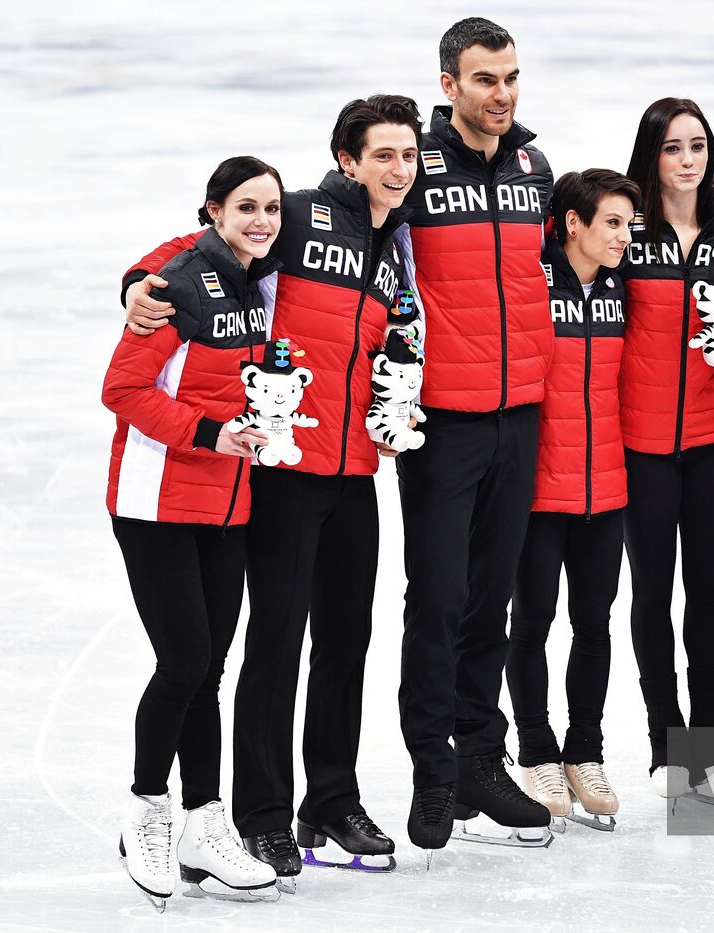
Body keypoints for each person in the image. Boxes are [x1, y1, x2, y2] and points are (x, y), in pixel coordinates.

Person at [121, 95, 422, 885]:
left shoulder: (395, 243)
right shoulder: (294, 213)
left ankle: (329, 800)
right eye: (382, 154)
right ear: (348, 160)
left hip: (354, 471)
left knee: (346, 642)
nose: (399, 169)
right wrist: (139, 283)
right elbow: (197, 244)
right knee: (276, 642)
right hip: (282, 472)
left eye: (409, 155)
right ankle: (258, 815)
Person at [102, 156, 285, 910]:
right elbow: (121, 388)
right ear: (212, 211)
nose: (262, 221)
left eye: (271, 209)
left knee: (208, 668)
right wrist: (210, 433)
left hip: (227, 505)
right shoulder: (174, 284)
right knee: (181, 662)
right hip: (154, 502)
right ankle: (147, 808)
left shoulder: (263, 277)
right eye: (245, 207)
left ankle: (206, 826)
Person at [396, 17, 554, 852]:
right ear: (449, 84)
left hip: (519, 412)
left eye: (512, 77)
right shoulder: (409, 166)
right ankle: (431, 768)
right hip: (442, 422)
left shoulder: (535, 167)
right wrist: (150, 276)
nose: (503, 94)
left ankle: (479, 762)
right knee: (439, 599)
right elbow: (297, 224)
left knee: (493, 598)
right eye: (486, 79)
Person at [620, 97, 714, 804]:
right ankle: (664, 736)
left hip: (713, 442)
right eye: (672, 147)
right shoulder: (624, 231)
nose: (686, 160)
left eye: (697, 145)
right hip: (639, 445)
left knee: (707, 592)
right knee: (652, 592)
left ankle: (712, 738)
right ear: (652, 155)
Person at [505, 169, 638, 832]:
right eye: (611, 222)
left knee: (594, 623)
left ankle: (584, 749)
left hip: (605, 487)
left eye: (627, 224)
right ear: (572, 224)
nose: (622, 236)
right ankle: (536, 749)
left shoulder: (624, 285)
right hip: (537, 490)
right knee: (531, 622)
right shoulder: (531, 278)